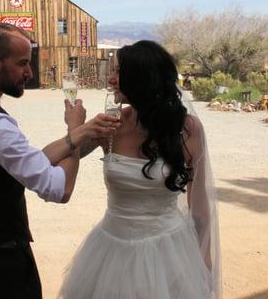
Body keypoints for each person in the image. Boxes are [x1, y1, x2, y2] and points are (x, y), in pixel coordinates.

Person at [0, 23, 119, 299]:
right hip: (2, 262)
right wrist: (75, 132)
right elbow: (59, 189)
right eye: (23, 63)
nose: (30, 72)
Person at [59, 40, 221, 299]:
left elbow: (199, 202)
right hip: (111, 250)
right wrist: (75, 129)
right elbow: (61, 163)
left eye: (118, 72)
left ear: (143, 78)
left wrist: (204, 259)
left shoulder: (188, 129)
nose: (110, 78)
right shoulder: (110, 124)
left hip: (169, 251)